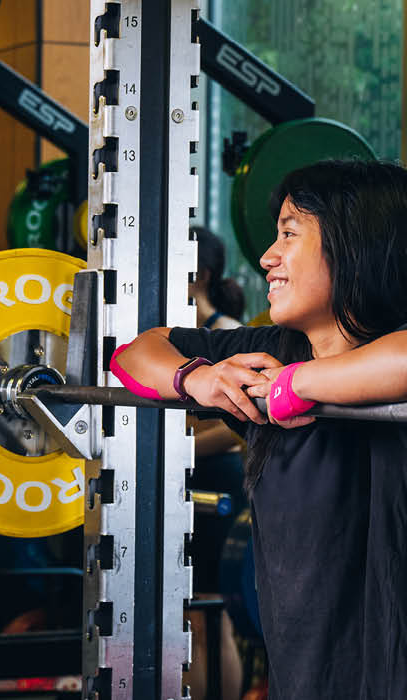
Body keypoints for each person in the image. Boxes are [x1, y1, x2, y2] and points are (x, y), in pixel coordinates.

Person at [114, 160, 407, 698]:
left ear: (357, 246)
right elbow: (135, 354)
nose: (267, 258)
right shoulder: (269, 353)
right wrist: (199, 380)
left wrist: (296, 386)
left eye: (288, 234)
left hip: (402, 683)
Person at [184, 227, 247, 700]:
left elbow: (238, 427)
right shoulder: (183, 338)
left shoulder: (226, 334)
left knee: (209, 612)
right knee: (189, 613)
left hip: (219, 482)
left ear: (200, 274)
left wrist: (182, 446)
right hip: (187, 478)